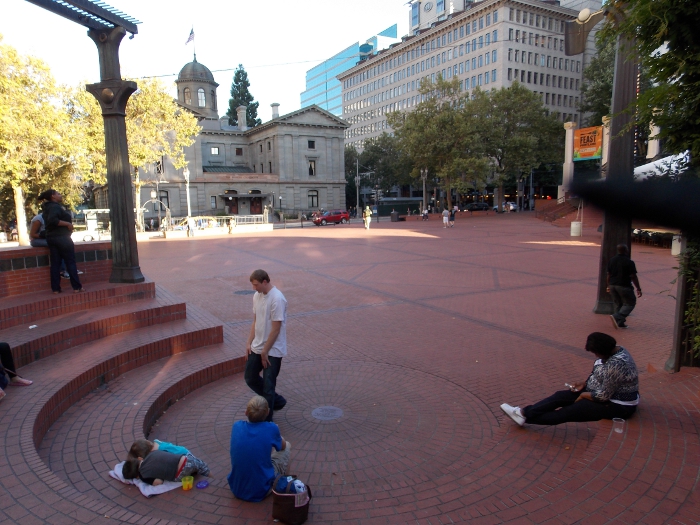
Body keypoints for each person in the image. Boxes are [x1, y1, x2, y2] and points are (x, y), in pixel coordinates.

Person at [500, 332, 639, 426]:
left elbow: (603, 396)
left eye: (596, 352)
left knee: (568, 412)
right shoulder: (616, 350)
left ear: (604, 350)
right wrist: (584, 383)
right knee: (560, 396)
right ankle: (522, 413)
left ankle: (524, 417)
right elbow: (600, 374)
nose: (595, 355)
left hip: (618, 405)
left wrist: (583, 395)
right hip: (598, 391)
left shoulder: (616, 364)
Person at [228, 395, 291, 501]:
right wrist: (277, 433)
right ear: (267, 413)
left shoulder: (236, 426)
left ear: (246, 412)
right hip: (261, 490)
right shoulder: (271, 428)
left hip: (236, 488)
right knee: (287, 446)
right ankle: (284, 484)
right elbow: (282, 446)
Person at [245, 269, 288, 422]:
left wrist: (265, 351)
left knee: (268, 386)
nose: (254, 288)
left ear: (265, 282)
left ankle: (267, 422)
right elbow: (255, 321)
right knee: (250, 377)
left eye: (256, 285)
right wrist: (249, 342)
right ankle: (277, 401)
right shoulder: (257, 296)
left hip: (273, 350)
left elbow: (276, 329)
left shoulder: (277, 298)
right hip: (258, 346)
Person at [39, 189, 83, 294]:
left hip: (51, 238)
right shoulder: (54, 207)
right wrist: (68, 224)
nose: (60, 195)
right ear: (53, 196)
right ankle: (77, 287)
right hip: (62, 238)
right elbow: (53, 221)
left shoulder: (47, 208)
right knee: (70, 262)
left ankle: (55, 288)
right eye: (58, 194)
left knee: (55, 264)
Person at [122, 449, 209, 485]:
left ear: (137, 476)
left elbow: (159, 482)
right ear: (140, 458)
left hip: (180, 474)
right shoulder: (153, 453)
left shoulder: (143, 476)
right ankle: (210, 476)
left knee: (185, 472)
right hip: (186, 460)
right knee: (202, 466)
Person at [30, 202, 71, 278]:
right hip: (37, 240)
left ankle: (70, 269)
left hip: (50, 237)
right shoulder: (38, 219)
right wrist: (47, 236)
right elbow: (33, 234)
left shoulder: (54, 218)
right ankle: (62, 270)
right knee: (58, 245)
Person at [607, 244, 642, 329]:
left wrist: (608, 285)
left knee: (618, 304)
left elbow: (609, 274)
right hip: (624, 285)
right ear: (626, 250)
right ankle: (617, 317)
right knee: (630, 303)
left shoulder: (612, 260)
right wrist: (638, 288)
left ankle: (620, 323)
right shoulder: (629, 262)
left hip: (612, 285)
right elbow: (633, 276)